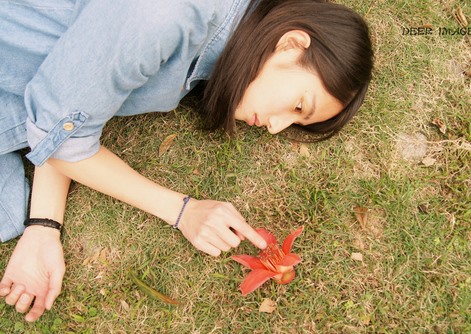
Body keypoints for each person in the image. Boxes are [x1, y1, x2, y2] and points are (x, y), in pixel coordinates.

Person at [0, 0, 373, 322]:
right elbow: (59, 131)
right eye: (298, 106)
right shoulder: (168, 15)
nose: (276, 128)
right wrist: (183, 211)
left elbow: (79, 102)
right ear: (292, 44)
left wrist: (42, 227)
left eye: (296, 122)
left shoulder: (217, 40)